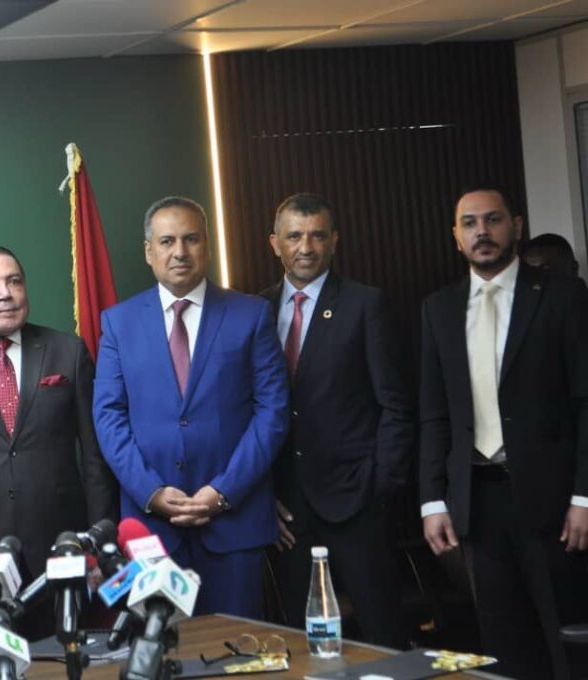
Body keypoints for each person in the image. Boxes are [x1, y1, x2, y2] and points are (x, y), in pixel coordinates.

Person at [420, 186, 588, 679]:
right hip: (478, 501)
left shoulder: (562, 295)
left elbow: (585, 402)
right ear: (456, 237)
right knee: (503, 643)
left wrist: (585, 496)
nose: (482, 232)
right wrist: (432, 500)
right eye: (469, 224)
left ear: (516, 226)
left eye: (492, 220)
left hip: (554, 501)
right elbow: (433, 413)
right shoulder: (438, 308)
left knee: (568, 643)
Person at [93, 196, 289, 617]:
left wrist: (224, 491)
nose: (179, 251)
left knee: (238, 645)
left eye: (191, 239)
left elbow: (272, 413)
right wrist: (150, 492)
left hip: (234, 525)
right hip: (151, 532)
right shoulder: (118, 323)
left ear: (207, 245)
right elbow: (108, 418)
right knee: (160, 648)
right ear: (149, 252)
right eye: (167, 241)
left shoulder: (252, 315)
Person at [0, 246, 118, 635]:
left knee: (65, 651)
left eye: (14, 281)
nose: (5, 293)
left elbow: (95, 459)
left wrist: (97, 545)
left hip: (61, 543)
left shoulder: (67, 351)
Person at [260, 193, 412, 647]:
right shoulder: (255, 311)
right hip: (287, 513)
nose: (306, 247)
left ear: (334, 241)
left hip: (357, 504)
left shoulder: (366, 304)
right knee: (299, 639)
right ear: (275, 243)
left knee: (383, 635)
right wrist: (263, 496)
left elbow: (396, 405)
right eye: (294, 236)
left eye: (317, 235)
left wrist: (378, 487)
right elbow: (247, 411)